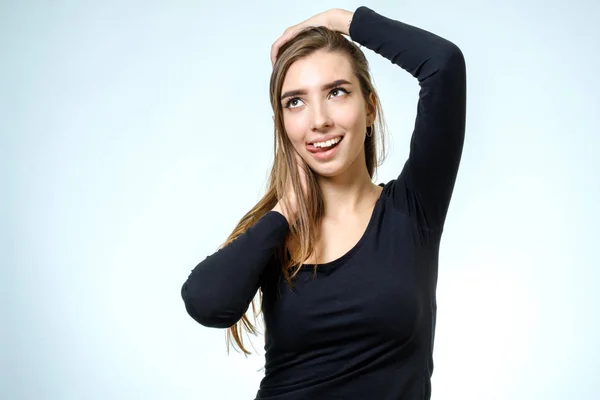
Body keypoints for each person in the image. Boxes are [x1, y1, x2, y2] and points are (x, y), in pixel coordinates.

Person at [181, 5, 466, 399]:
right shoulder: (275, 232)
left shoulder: (412, 209)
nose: (318, 120)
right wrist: (286, 211)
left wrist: (337, 21)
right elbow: (207, 303)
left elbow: (443, 65)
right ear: (283, 124)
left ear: (370, 108)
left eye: (336, 92)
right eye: (295, 102)